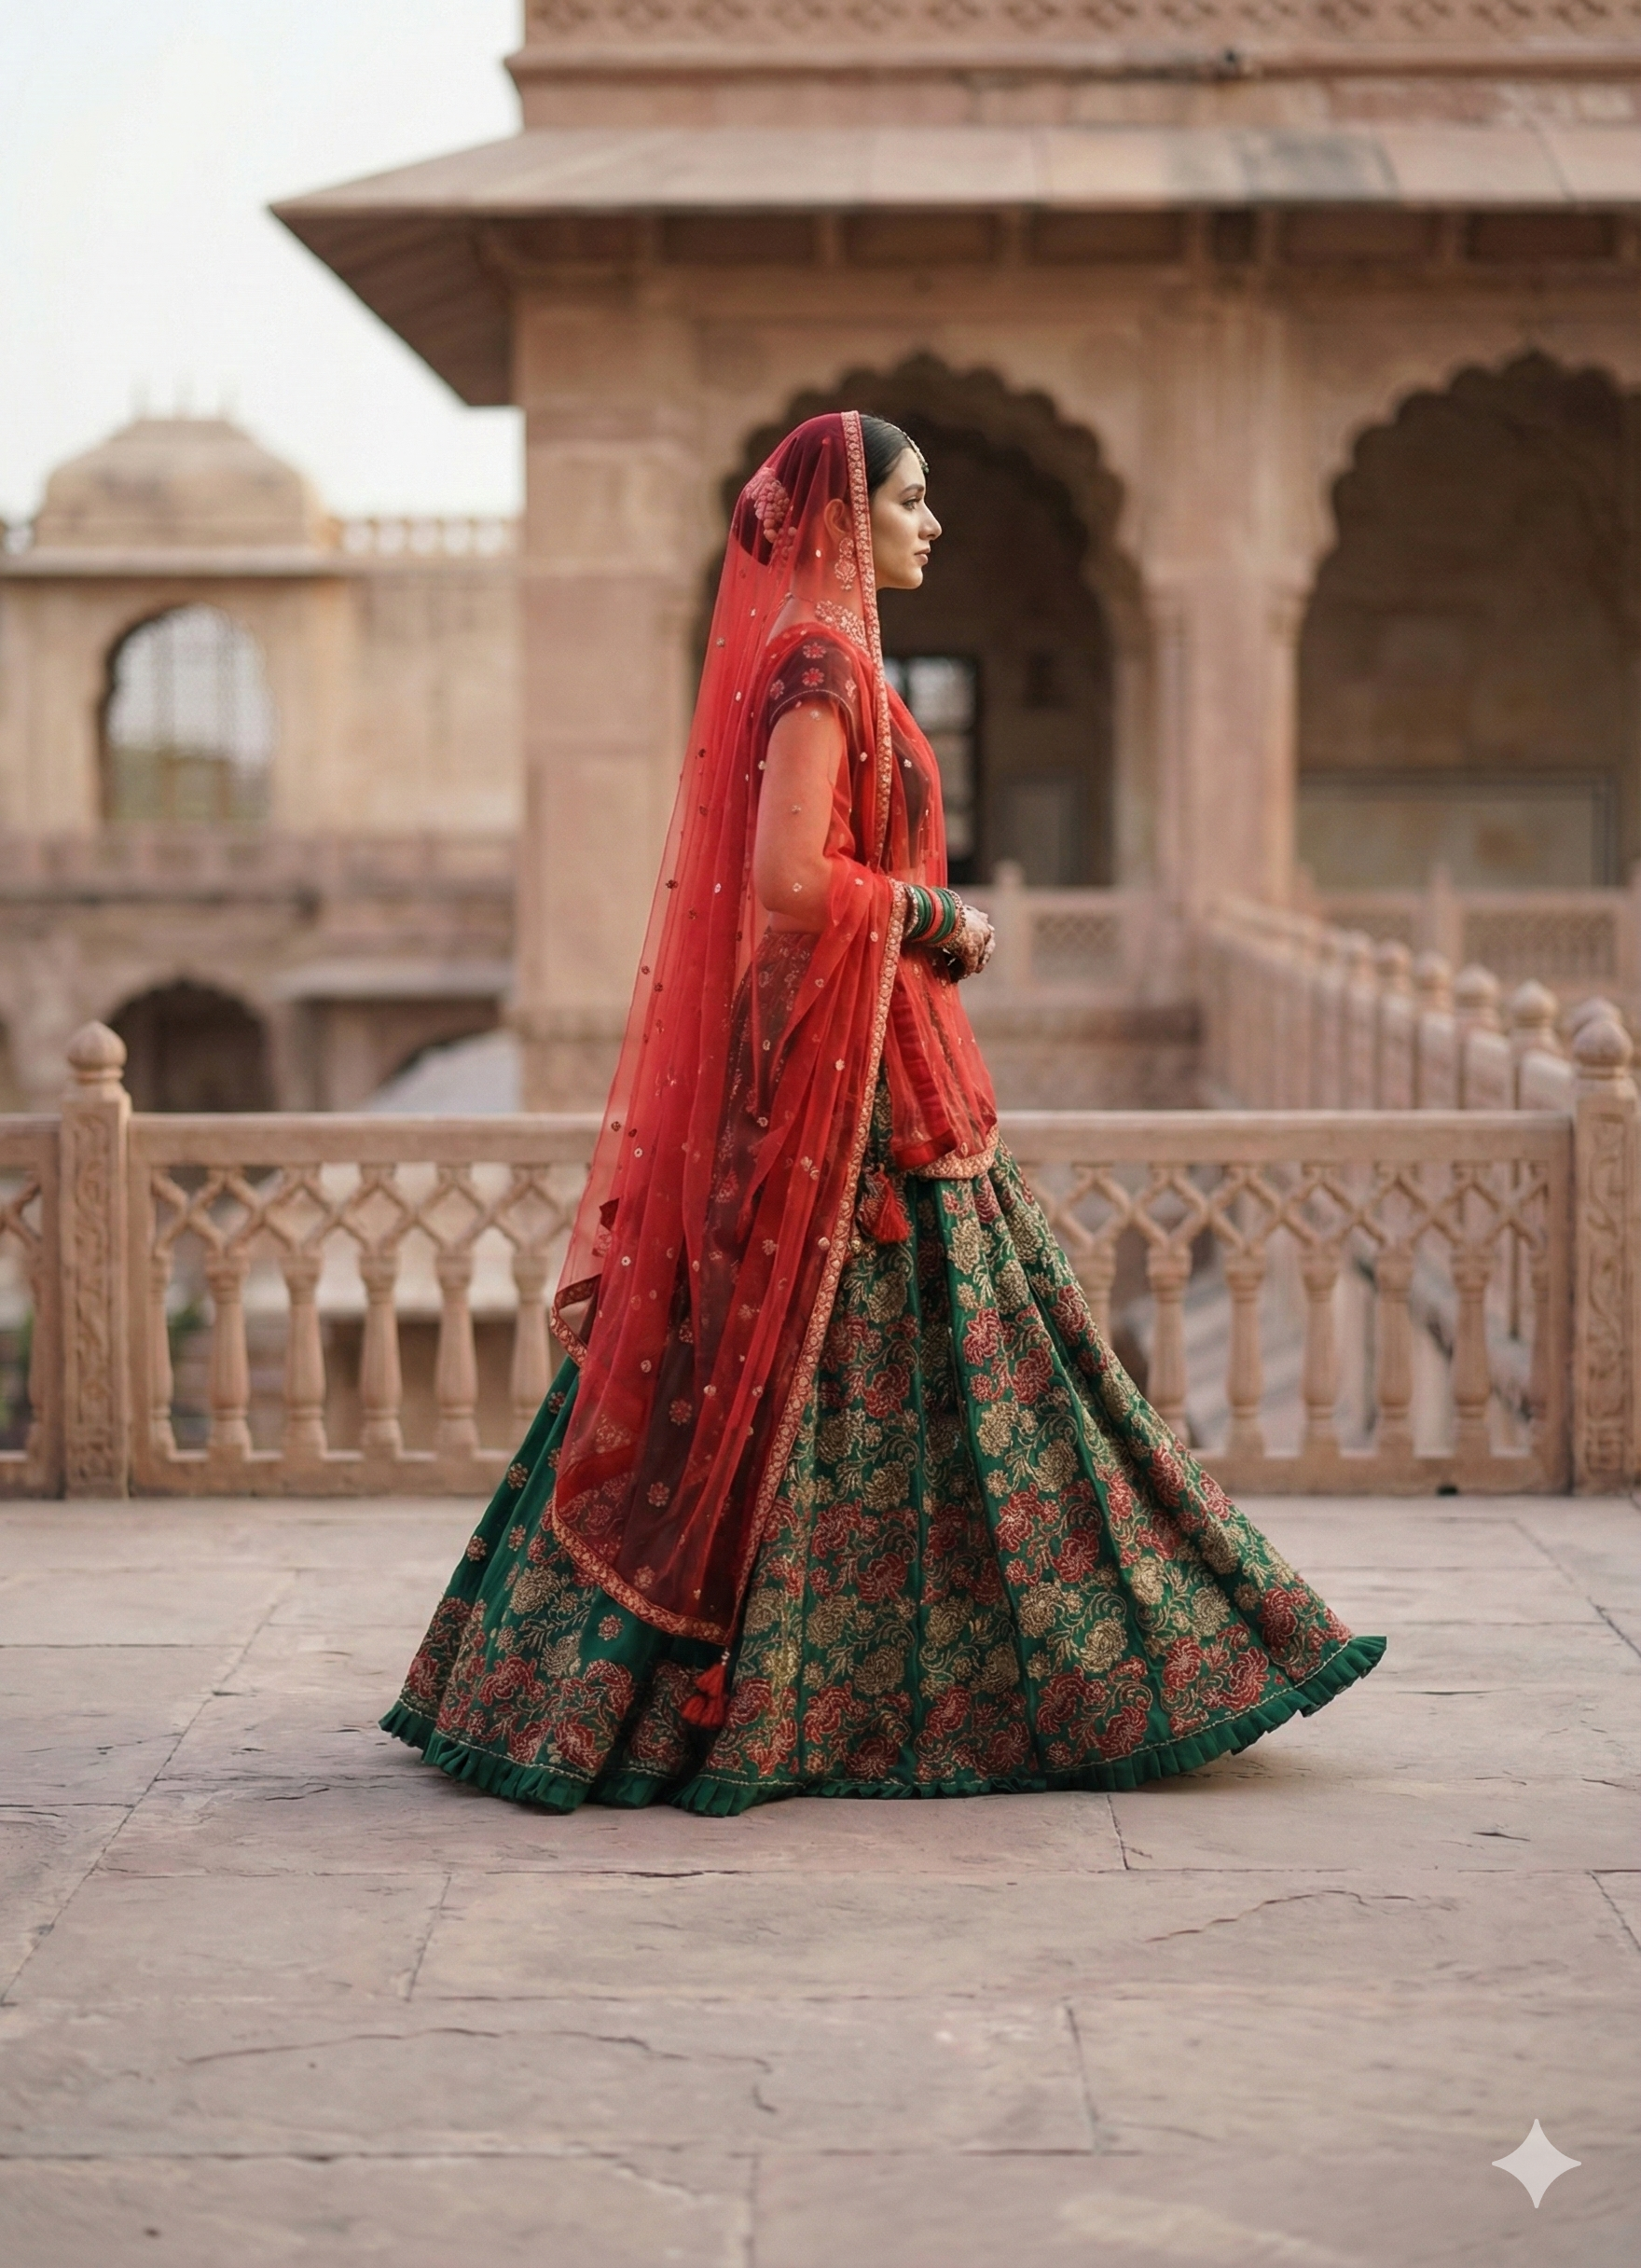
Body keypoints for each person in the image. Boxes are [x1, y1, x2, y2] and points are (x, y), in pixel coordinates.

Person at [383, 409, 1383, 1813]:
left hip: (877, 1069)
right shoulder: (819, 670)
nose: (932, 528)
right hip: (842, 1102)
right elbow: (794, 885)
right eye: (913, 502)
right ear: (852, 519)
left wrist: (920, 934)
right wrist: (934, 913)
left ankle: (907, 1686)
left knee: (956, 1382)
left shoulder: (840, 665)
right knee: (886, 1379)